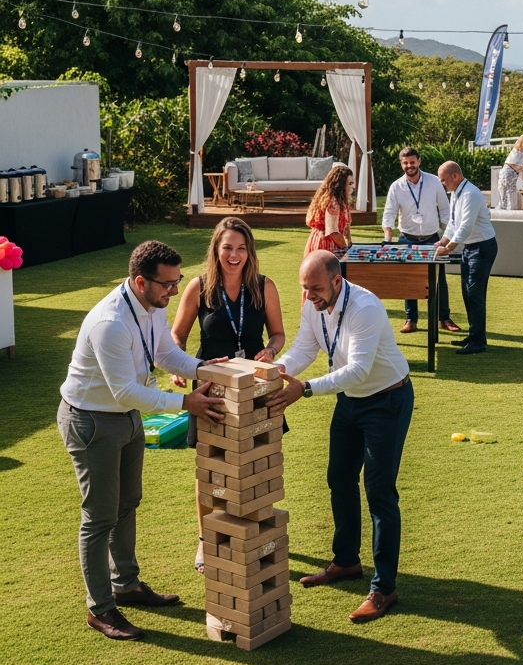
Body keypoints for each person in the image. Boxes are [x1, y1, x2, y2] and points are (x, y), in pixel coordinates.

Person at [57, 240, 226, 641]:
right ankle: (100, 609)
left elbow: (165, 353)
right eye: (167, 284)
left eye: (177, 281)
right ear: (139, 282)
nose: (174, 291)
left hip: (127, 418)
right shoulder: (111, 323)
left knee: (127, 503)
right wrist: (185, 402)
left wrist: (203, 368)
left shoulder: (152, 306)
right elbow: (125, 391)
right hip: (93, 422)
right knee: (99, 517)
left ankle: (126, 585)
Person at [266, 251, 413, 623]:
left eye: (315, 288)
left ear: (336, 281)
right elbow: (305, 348)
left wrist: (306, 388)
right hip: (350, 400)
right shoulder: (313, 304)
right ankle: (346, 561)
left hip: (386, 400)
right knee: (339, 478)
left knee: (379, 492)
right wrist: (275, 369)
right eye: (304, 288)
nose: (309, 296)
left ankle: (384, 589)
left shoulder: (366, 307)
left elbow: (359, 370)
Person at [170, 217, 286, 573]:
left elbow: (278, 334)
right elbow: (176, 337)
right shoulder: (199, 287)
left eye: (241, 248)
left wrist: (270, 350)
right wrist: (179, 366)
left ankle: (255, 533)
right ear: (216, 250)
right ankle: (207, 540)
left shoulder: (264, 286)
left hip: (254, 387)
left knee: (258, 461)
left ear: (249, 251)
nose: (234, 255)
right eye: (227, 248)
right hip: (211, 389)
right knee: (210, 468)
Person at [382, 147, 459, 334]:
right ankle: (411, 319)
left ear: (419, 161)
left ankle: (444, 318)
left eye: (412, 162)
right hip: (407, 239)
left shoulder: (434, 182)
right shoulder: (396, 187)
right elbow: (389, 214)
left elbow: (445, 210)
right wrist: (387, 239)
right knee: (409, 280)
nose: (409, 166)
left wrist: (450, 235)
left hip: (432, 239)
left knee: (439, 280)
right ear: (401, 164)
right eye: (405, 163)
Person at [435, 161, 497, 356]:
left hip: (482, 247)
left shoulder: (471, 193)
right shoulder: (456, 193)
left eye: (443, 180)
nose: (442, 184)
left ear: (455, 176)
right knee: (467, 292)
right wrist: (443, 241)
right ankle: (473, 335)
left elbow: (466, 227)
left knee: (474, 294)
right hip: (471, 247)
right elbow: (454, 223)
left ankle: (478, 342)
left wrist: (449, 248)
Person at [304, 164, 353, 256]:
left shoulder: (342, 201)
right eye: (350, 183)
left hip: (331, 242)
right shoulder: (333, 202)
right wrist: (346, 249)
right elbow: (333, 232)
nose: (353, 187)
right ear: (340, 185)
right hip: (325, 244)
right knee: (326, 265)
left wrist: (350, 244)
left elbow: (346, 228)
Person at [497, 134, 523, 210]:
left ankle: (510, 211)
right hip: (508, 172)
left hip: (515, 173)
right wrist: (522, 168)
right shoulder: (515, 152)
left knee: (512, 195)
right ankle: (504, 211)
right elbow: (511, 165)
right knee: (505, 196)